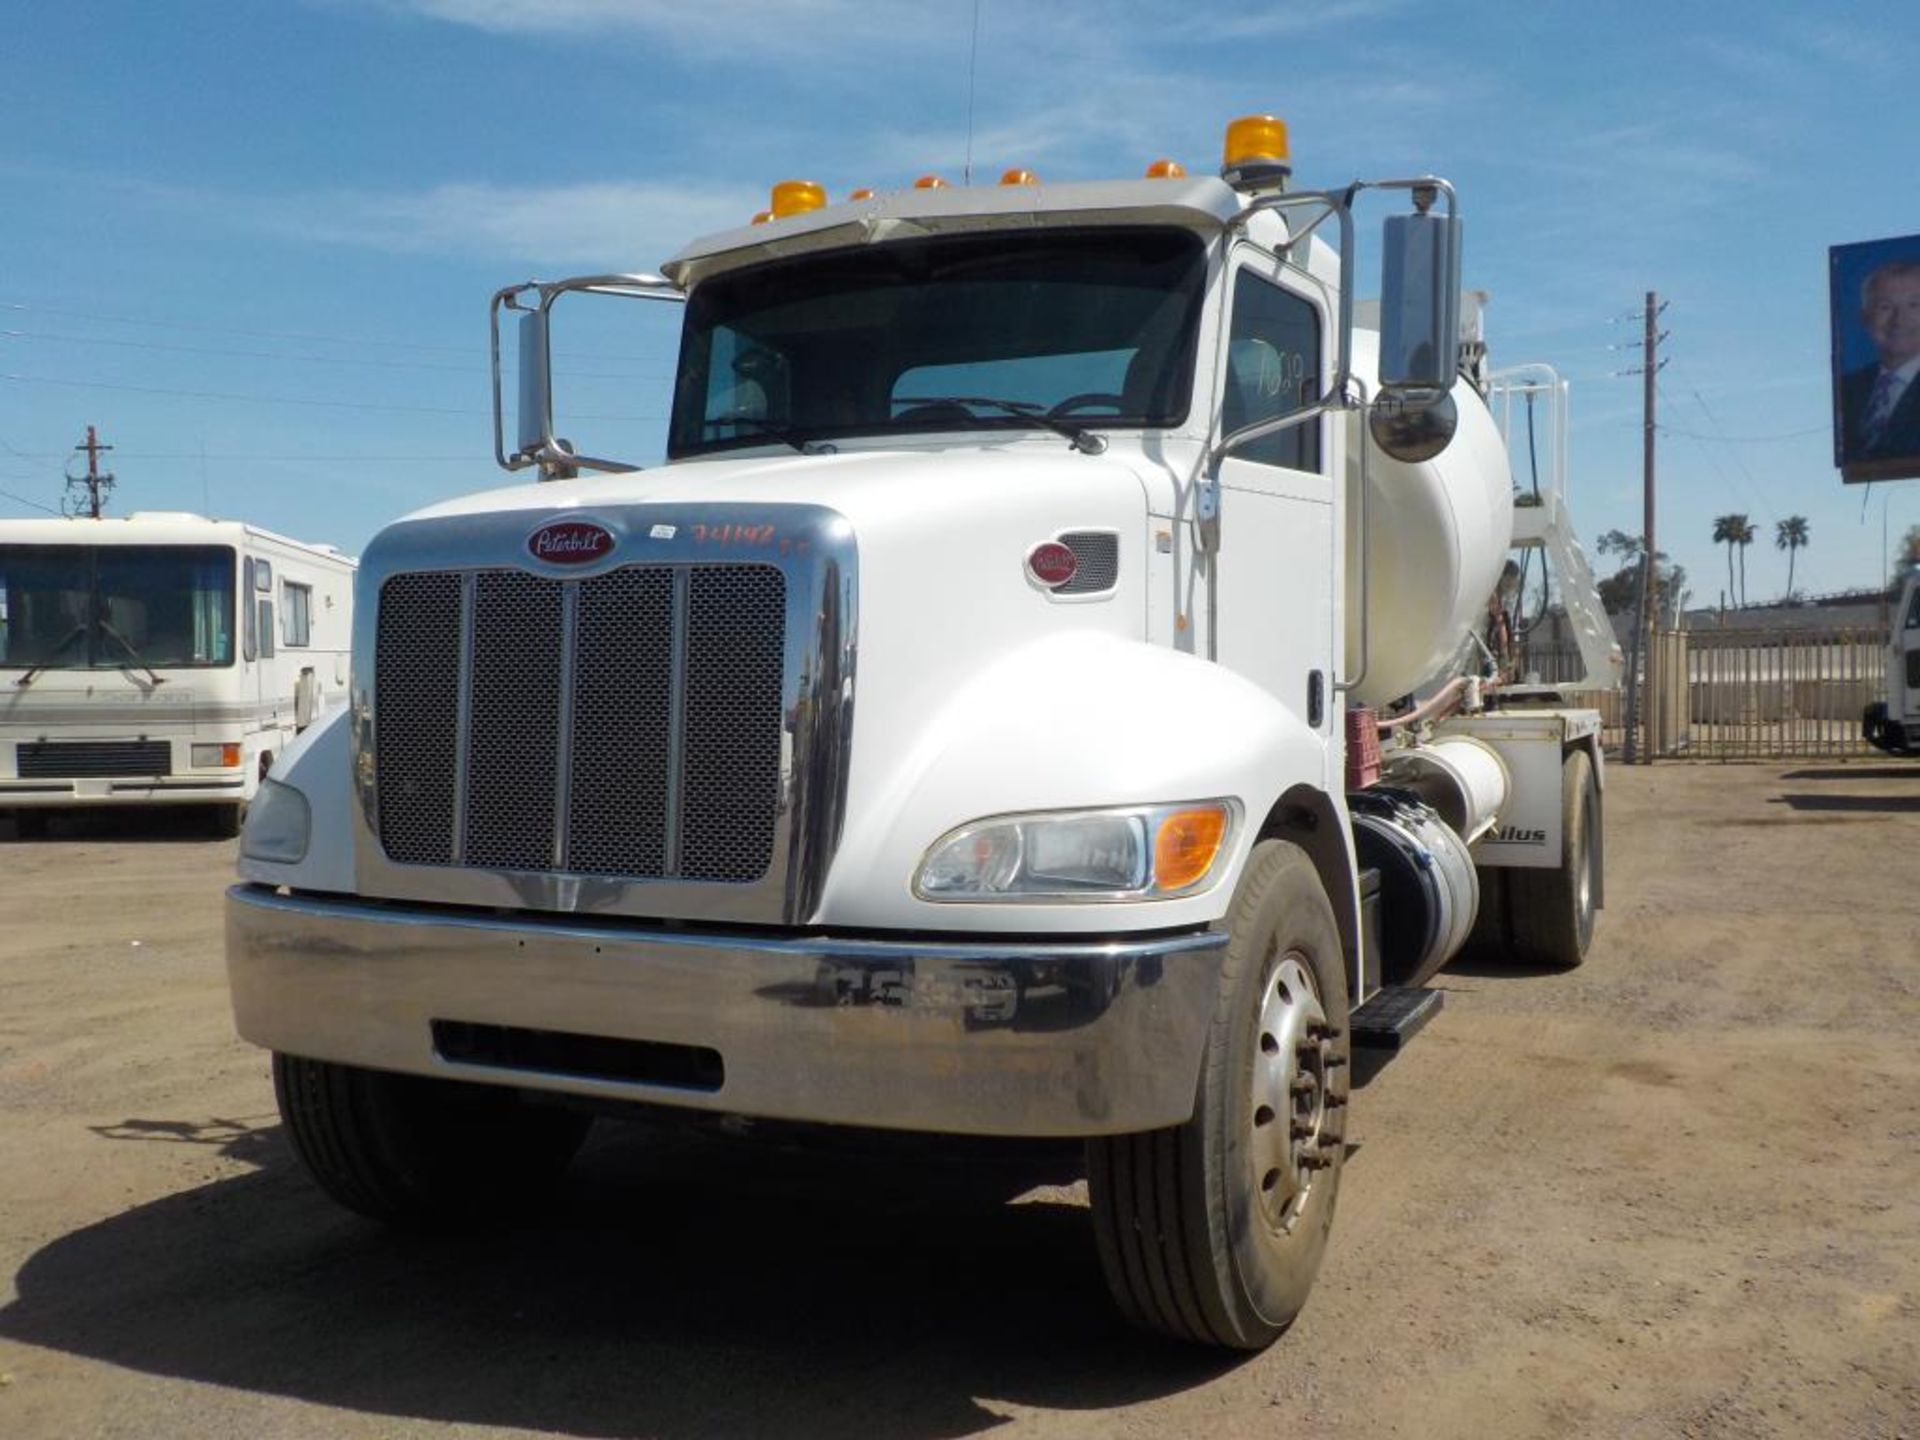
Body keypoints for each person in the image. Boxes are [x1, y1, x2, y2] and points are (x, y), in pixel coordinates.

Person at [1841, 259, 1920, 463]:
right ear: (1865, 318)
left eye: (1914, 305)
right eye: (1885, 307)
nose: (1899, 320)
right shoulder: (1847, 389)